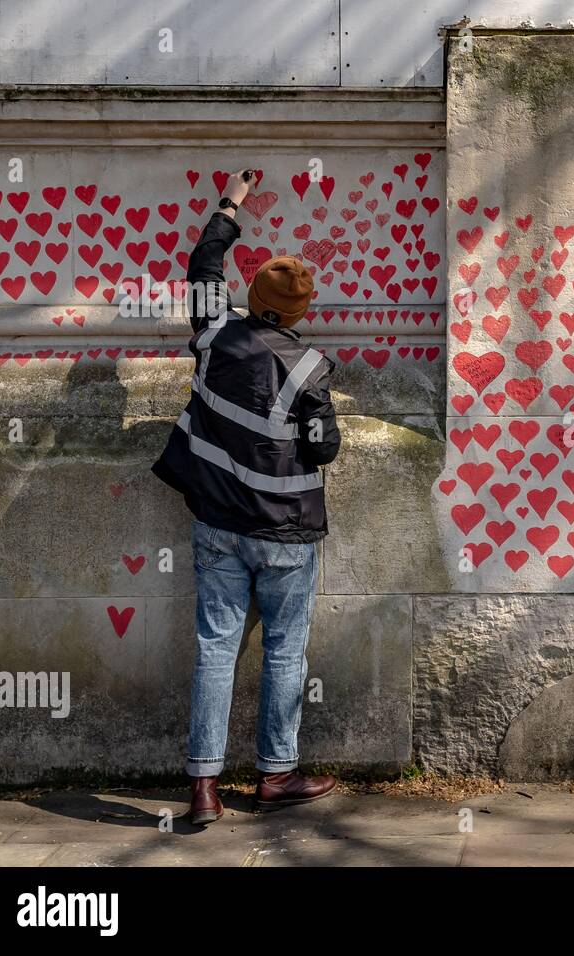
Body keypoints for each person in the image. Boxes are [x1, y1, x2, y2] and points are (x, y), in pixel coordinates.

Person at [153, 170, 340, 825]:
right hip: (286, 536)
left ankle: (203, 789)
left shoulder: (213, 334)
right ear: (297, 314)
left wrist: (232, 202)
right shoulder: (311, 367)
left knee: (215, 649)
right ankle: (276, 776)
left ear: (250, 297)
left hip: (216, 526)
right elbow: (322, 449)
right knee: (285, 652)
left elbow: (204, 262)